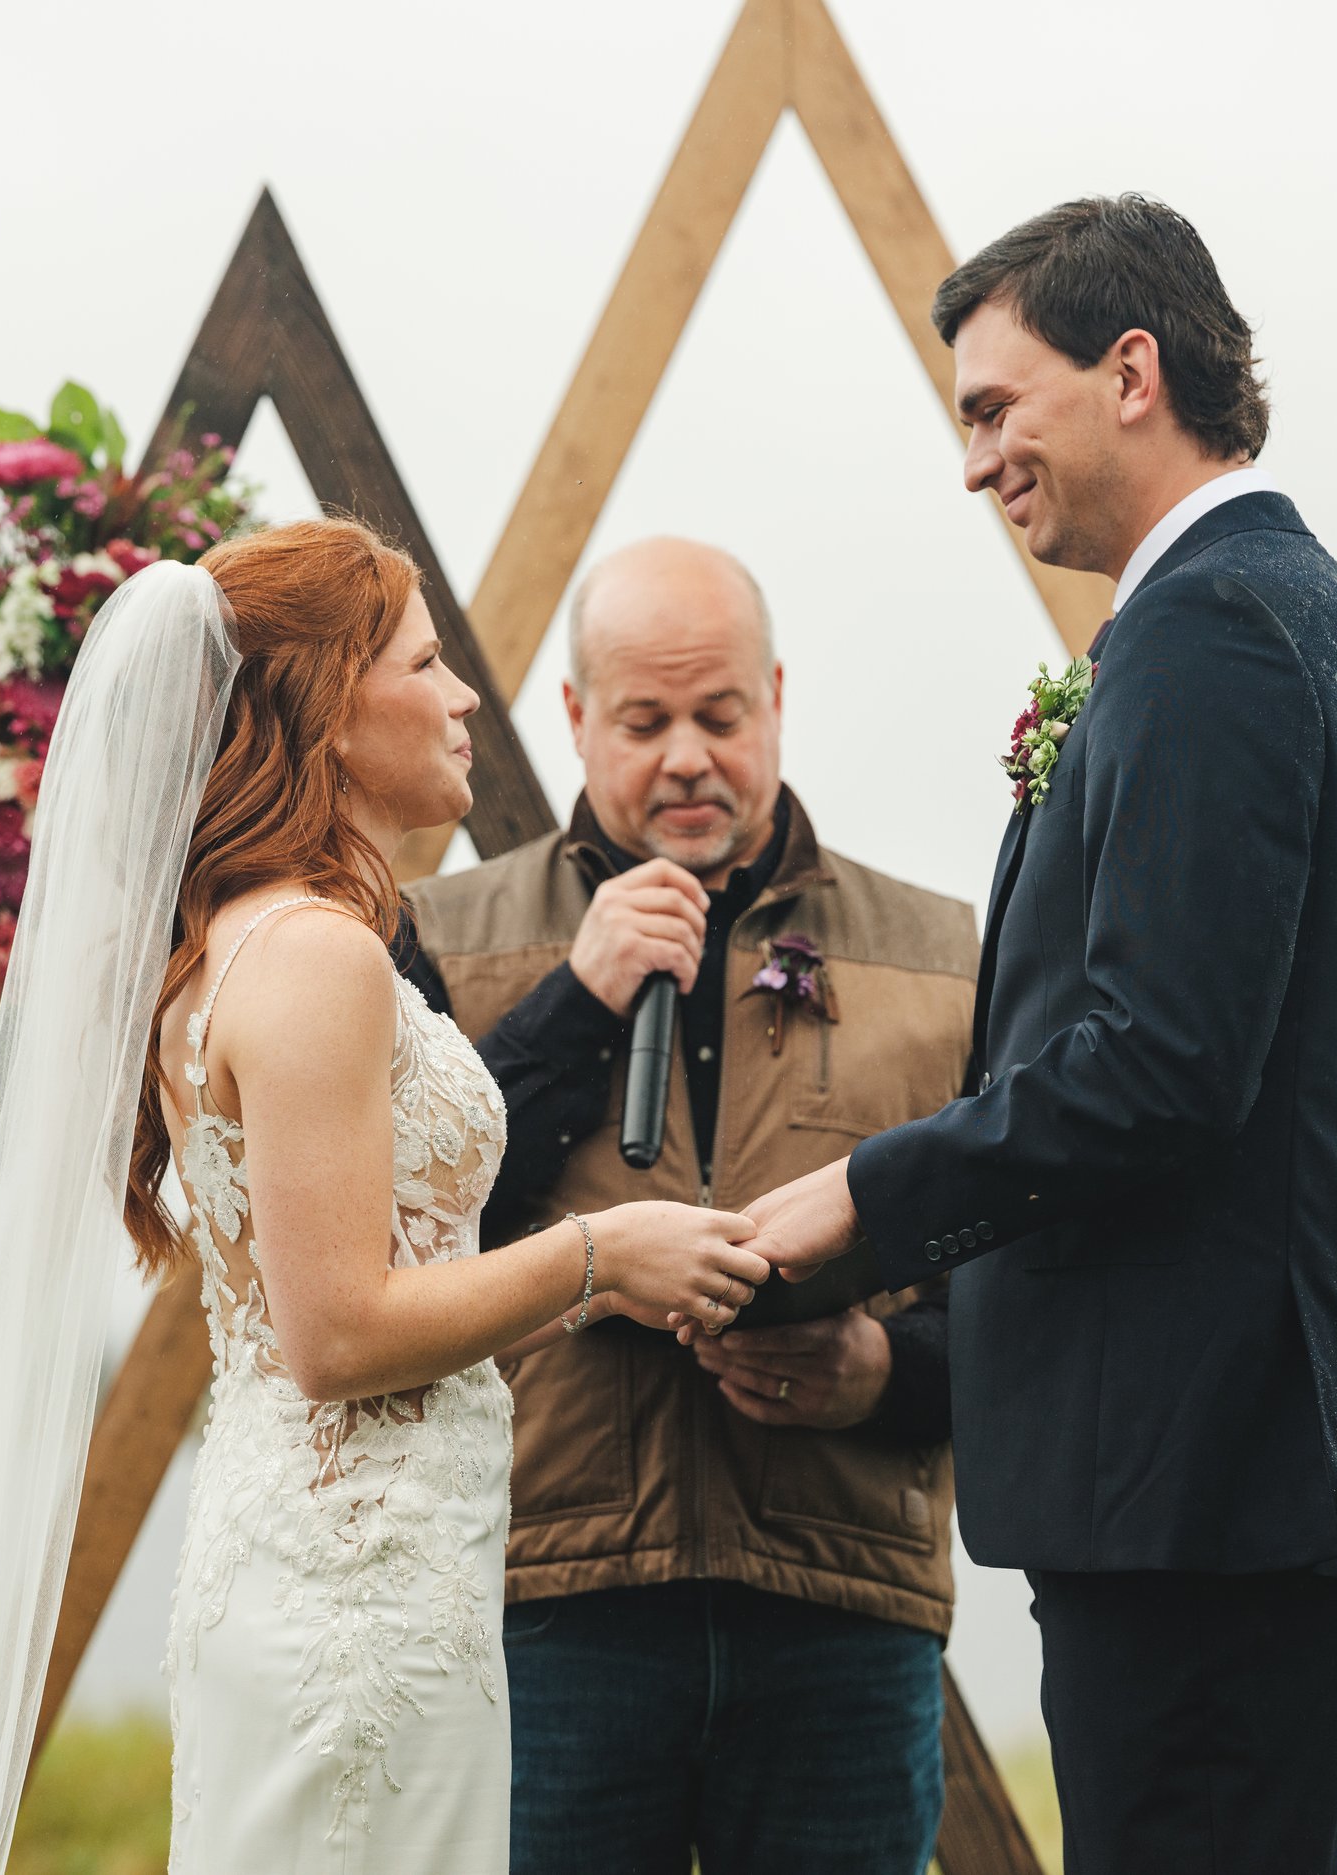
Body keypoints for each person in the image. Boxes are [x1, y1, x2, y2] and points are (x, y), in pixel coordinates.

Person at [0, 518, 772, 1875]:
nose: (461, 698)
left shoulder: (247, 942)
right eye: (426, 664)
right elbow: (338, 1335)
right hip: (359, 1606)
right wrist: (601, 1256)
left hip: (343, 1561)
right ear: (327, 703)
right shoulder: (317, 957)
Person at [744, 197, 1337, 1875]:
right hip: (1224, 1468)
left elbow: (1161, 1064)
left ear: (1134, 371)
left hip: (1200, 1475)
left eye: (994, 409)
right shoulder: (1282, 610)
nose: (976, 464)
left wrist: (865, 1203)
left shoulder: (1211, 634)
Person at [402, 536, 979, 1875]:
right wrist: (576, 1002)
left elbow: (1035, 1299)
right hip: (547, 1605)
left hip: (844, 1612)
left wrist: (883, 1369)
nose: (685, 760)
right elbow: (400, 1246)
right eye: (645, 722)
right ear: (573, 718)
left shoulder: (945, 958)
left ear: (776, 698)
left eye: (721, 717)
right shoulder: (442, 937)